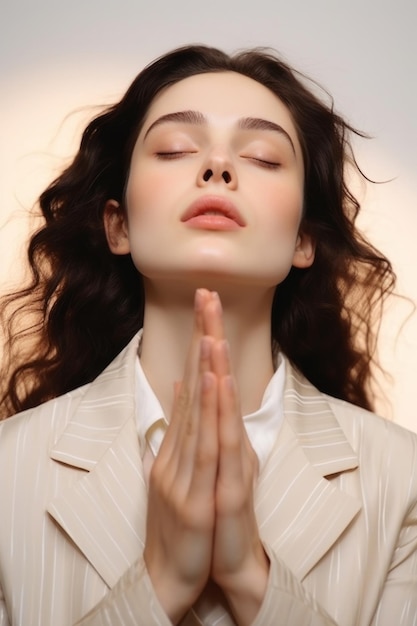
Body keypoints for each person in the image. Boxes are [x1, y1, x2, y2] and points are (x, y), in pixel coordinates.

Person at [0, 44, 416, 626]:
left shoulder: (404, 484)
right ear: (118, 225)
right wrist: (160, 582)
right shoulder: (6, 473)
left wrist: (250, 573)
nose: (217, 168)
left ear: (304, 240)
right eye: (174, 149)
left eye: (264, 157)